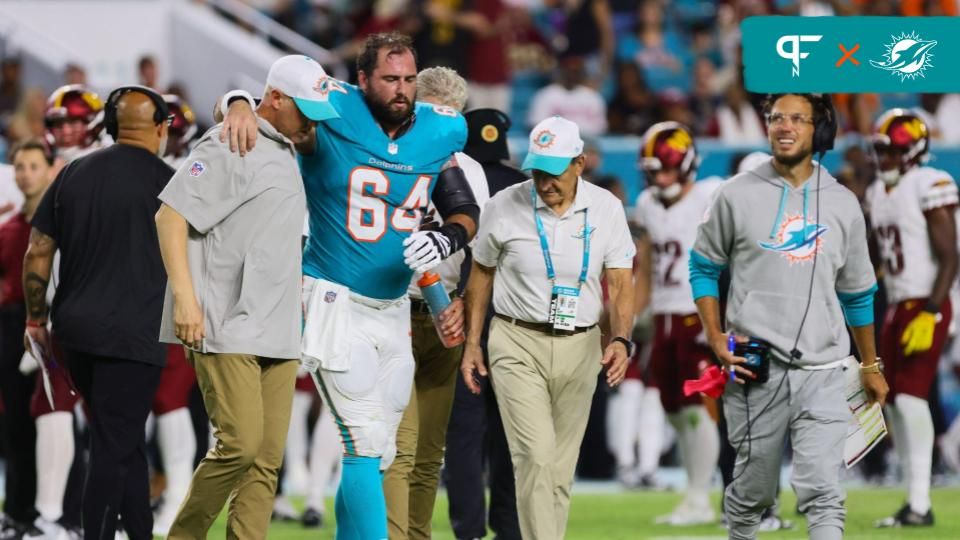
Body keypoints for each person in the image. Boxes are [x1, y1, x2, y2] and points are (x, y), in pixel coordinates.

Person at [219, 32, 479, 540]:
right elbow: (271, 99)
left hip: (393, 305)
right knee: (362, 439)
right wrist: (234, 103)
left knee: (379, 450)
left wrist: (447, 240)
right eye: (389, 79)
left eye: (408, 79)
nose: (402, 90)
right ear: (362, 80)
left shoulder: (441, 129)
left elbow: (463, 208)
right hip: (333, 297)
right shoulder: (333, 106)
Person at [688, 93, 889, 540]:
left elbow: (858, 293)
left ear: (818, 130)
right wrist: (716, 337)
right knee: (752, 494)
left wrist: (871, 364)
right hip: (755, 366)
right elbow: (703, 267)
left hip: (824, 370)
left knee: (824, 491)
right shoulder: (733, 195)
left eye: (797, 119)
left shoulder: (842, 203)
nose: (784, 127)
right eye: (777, 118)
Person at [157, 55, 338, 539]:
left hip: (278, 326)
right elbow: (169, 217)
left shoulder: (291, 147)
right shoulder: (229, 142)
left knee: (266, 461)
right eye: (308, 112)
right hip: (227, 321)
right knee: (239, 445)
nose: (315, 125)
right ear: (276, 100)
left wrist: (233, 101)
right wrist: (185, 300)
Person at [461, 115, 635, 540]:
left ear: (579, 163)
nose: (544, 182)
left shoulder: (607, 208)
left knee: (558, 468)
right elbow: (481, 274)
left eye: (553, 172)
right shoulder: (504, 204)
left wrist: (621, 338)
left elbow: (620, 281)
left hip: (581, 345)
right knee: (535, 458)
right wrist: (472, 343)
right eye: (537, 171)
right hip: (516, 340)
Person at [22, 84, 174, 540]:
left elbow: (38, 251)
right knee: (113, 445)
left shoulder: (72, 174)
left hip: (76, 334)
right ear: (161, 127)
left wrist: (36, 318)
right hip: (135, 335)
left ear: (107, 126)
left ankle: (141, 534)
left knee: (119, 440)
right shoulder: (170, 182)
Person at [383, 66, 489, 540]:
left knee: (429, 455)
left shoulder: (469, 171)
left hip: (444, 312)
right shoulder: (387, 157)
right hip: (392, 308)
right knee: (399, 451)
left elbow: (480, 250)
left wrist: (464, 301)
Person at [865, 109, 957, 528]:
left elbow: (950, 255)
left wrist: (934, 310)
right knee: (894, 403)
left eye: (892, 151)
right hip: (897, 303)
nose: (884, 159)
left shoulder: (929, 183)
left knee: (910, 397)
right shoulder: (876, 192)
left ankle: (920, 500)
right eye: (880, 150)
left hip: (925, 303)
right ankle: (911, 495)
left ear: (913, 151)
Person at [443, 107, 524, 540]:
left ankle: (467, 529)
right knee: (510, 430)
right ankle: (509, 528)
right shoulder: (524, 188)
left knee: (464, 433)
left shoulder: (451, 176)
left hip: (461, 313)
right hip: (513, 320)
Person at [634, 121, 721, 525]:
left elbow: (733, 259)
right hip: (666, 318)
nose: (658, 178)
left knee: (697, 409)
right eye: (652, 171)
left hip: (697, 316)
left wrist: (720, 318)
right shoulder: (649, 205)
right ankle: (695, 492)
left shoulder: (710, 197)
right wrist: (632, 317)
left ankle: (701, 497)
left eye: (664, 168)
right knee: (673, 408)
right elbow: (649, 267)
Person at [150, 92, 201, 537]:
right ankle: (163, 493)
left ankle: (178, 497)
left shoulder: (196, 169)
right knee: (153, 404)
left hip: (184, 297)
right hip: (147, 301)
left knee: (169, 400)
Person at [0, 140, 54, 539]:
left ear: (49, 169)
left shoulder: (62, 224)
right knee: (16, 422)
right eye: (20, 166)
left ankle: (51, 512)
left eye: (34, 166)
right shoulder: (8, 229)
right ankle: (18, 509)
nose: (25, 174)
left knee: (56, 424)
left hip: (52, 330)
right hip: (11, 329)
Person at [43, 84, 107, 165]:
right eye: (58, 123)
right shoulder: (43, 157)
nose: (65, 131)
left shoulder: (104, 161)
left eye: (72, 122)